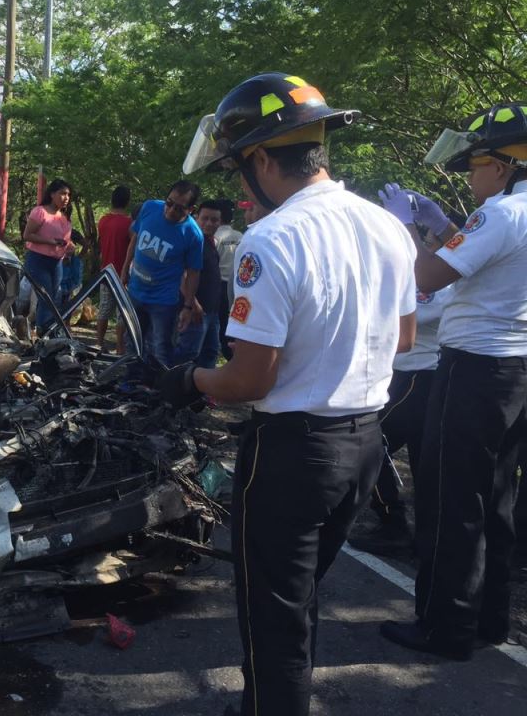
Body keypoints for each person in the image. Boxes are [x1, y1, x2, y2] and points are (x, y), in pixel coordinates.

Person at [166, 72, 417, 716]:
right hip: (364, 445)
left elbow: (249, 380)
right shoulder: (388, 227)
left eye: (237, 167)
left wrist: (188, 380)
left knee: (271, 616)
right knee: (297, 598)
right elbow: (404, 340)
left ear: (258, 159)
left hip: (292, 455)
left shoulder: (272, 239)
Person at [378, 103, 527, 661]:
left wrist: (402, 228)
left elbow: (427, 274)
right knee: (497, 498)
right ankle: (488, 619)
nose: (469, 176)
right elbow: (482, 261)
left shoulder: (503, 214)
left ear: (504, 165)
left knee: (450, 498)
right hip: (515, 369)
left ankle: (446, 626)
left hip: (473, 369)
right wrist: (442, 227)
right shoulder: (516, 213)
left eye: (474, 165)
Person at [348, 216, 454, 559]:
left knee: (369, 443)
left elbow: (409, 317)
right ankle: (418, 534)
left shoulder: (441, 279)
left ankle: (397, 525)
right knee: (405, 455)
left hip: (420, 377)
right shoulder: (405, 272)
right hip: (401, 376)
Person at [120, 180, 203, 368]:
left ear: (191, 209)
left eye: (179, 208)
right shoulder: (149, 208)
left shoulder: (192, 234)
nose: (171, 210)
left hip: (163, 301)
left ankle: (157, 390)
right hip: (136, 291)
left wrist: (188, 306)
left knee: (160, 348)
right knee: (132, 340)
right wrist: (125, 270)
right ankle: (131, 383)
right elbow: (135, 239)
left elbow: (193, 272)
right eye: (169, 203)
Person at [174, 198, 223, 368]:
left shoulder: (210, 243)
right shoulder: (193, 242)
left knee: (211, 352)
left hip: (212, 311)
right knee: (187, 353)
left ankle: (201, 392)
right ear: (196, 218)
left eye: (214, 220)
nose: (209, 223)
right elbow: (181, 275)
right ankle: (170, 388)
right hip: (195, 311)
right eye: (205, 218)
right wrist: (192, 304)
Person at [23, 178, 72, 334]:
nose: (66, 198)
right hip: (38, 260)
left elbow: (64, 239)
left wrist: (70, 247)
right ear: (52, 194)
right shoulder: (40, 212)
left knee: (53, 298)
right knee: (47, 298)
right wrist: (50, 241)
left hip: (57, 262)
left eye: (68, 195)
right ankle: (46, 333)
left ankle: (41, 330)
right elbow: (27, 235)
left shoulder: (63, 216)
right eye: (62, 193)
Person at [96, 185, 133, 352]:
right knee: (122, 312)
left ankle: (99, 343)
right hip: (123, 273)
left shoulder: (103, 221)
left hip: (106, 271)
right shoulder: (129, 224)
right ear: (127, 201)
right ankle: (120, 346)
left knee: (104, 308)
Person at [213, 199, 243, 360]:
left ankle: (224, 349)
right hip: (238, 286)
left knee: (220, 320)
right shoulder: (241, 236)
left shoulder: (215, 238)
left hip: (220, 285)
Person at [58, 231, 84, 310]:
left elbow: (86, 245)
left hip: (70, 284)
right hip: (59, 288)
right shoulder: (54, 231)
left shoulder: (75, 262)